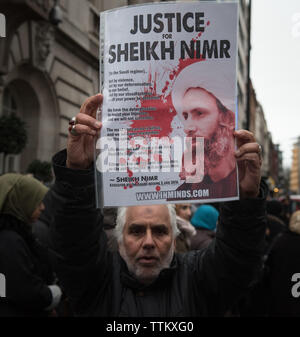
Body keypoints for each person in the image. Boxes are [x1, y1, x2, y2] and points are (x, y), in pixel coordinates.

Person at [50, 94, 267, 316]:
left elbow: (238, 259)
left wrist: (246, 201)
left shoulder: (198, 280)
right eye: (136, 231)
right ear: (119, 237)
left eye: (160, 231)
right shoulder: (96, 282)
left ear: (174, 238)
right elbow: (73, 242)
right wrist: (76, 173)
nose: (148, 242)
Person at [0, 173, 62, 316]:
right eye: (36, 202)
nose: (42, 207)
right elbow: (26, 290)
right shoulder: (9, 242)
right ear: (21, 203)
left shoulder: (16, 235)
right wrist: (55, 293)